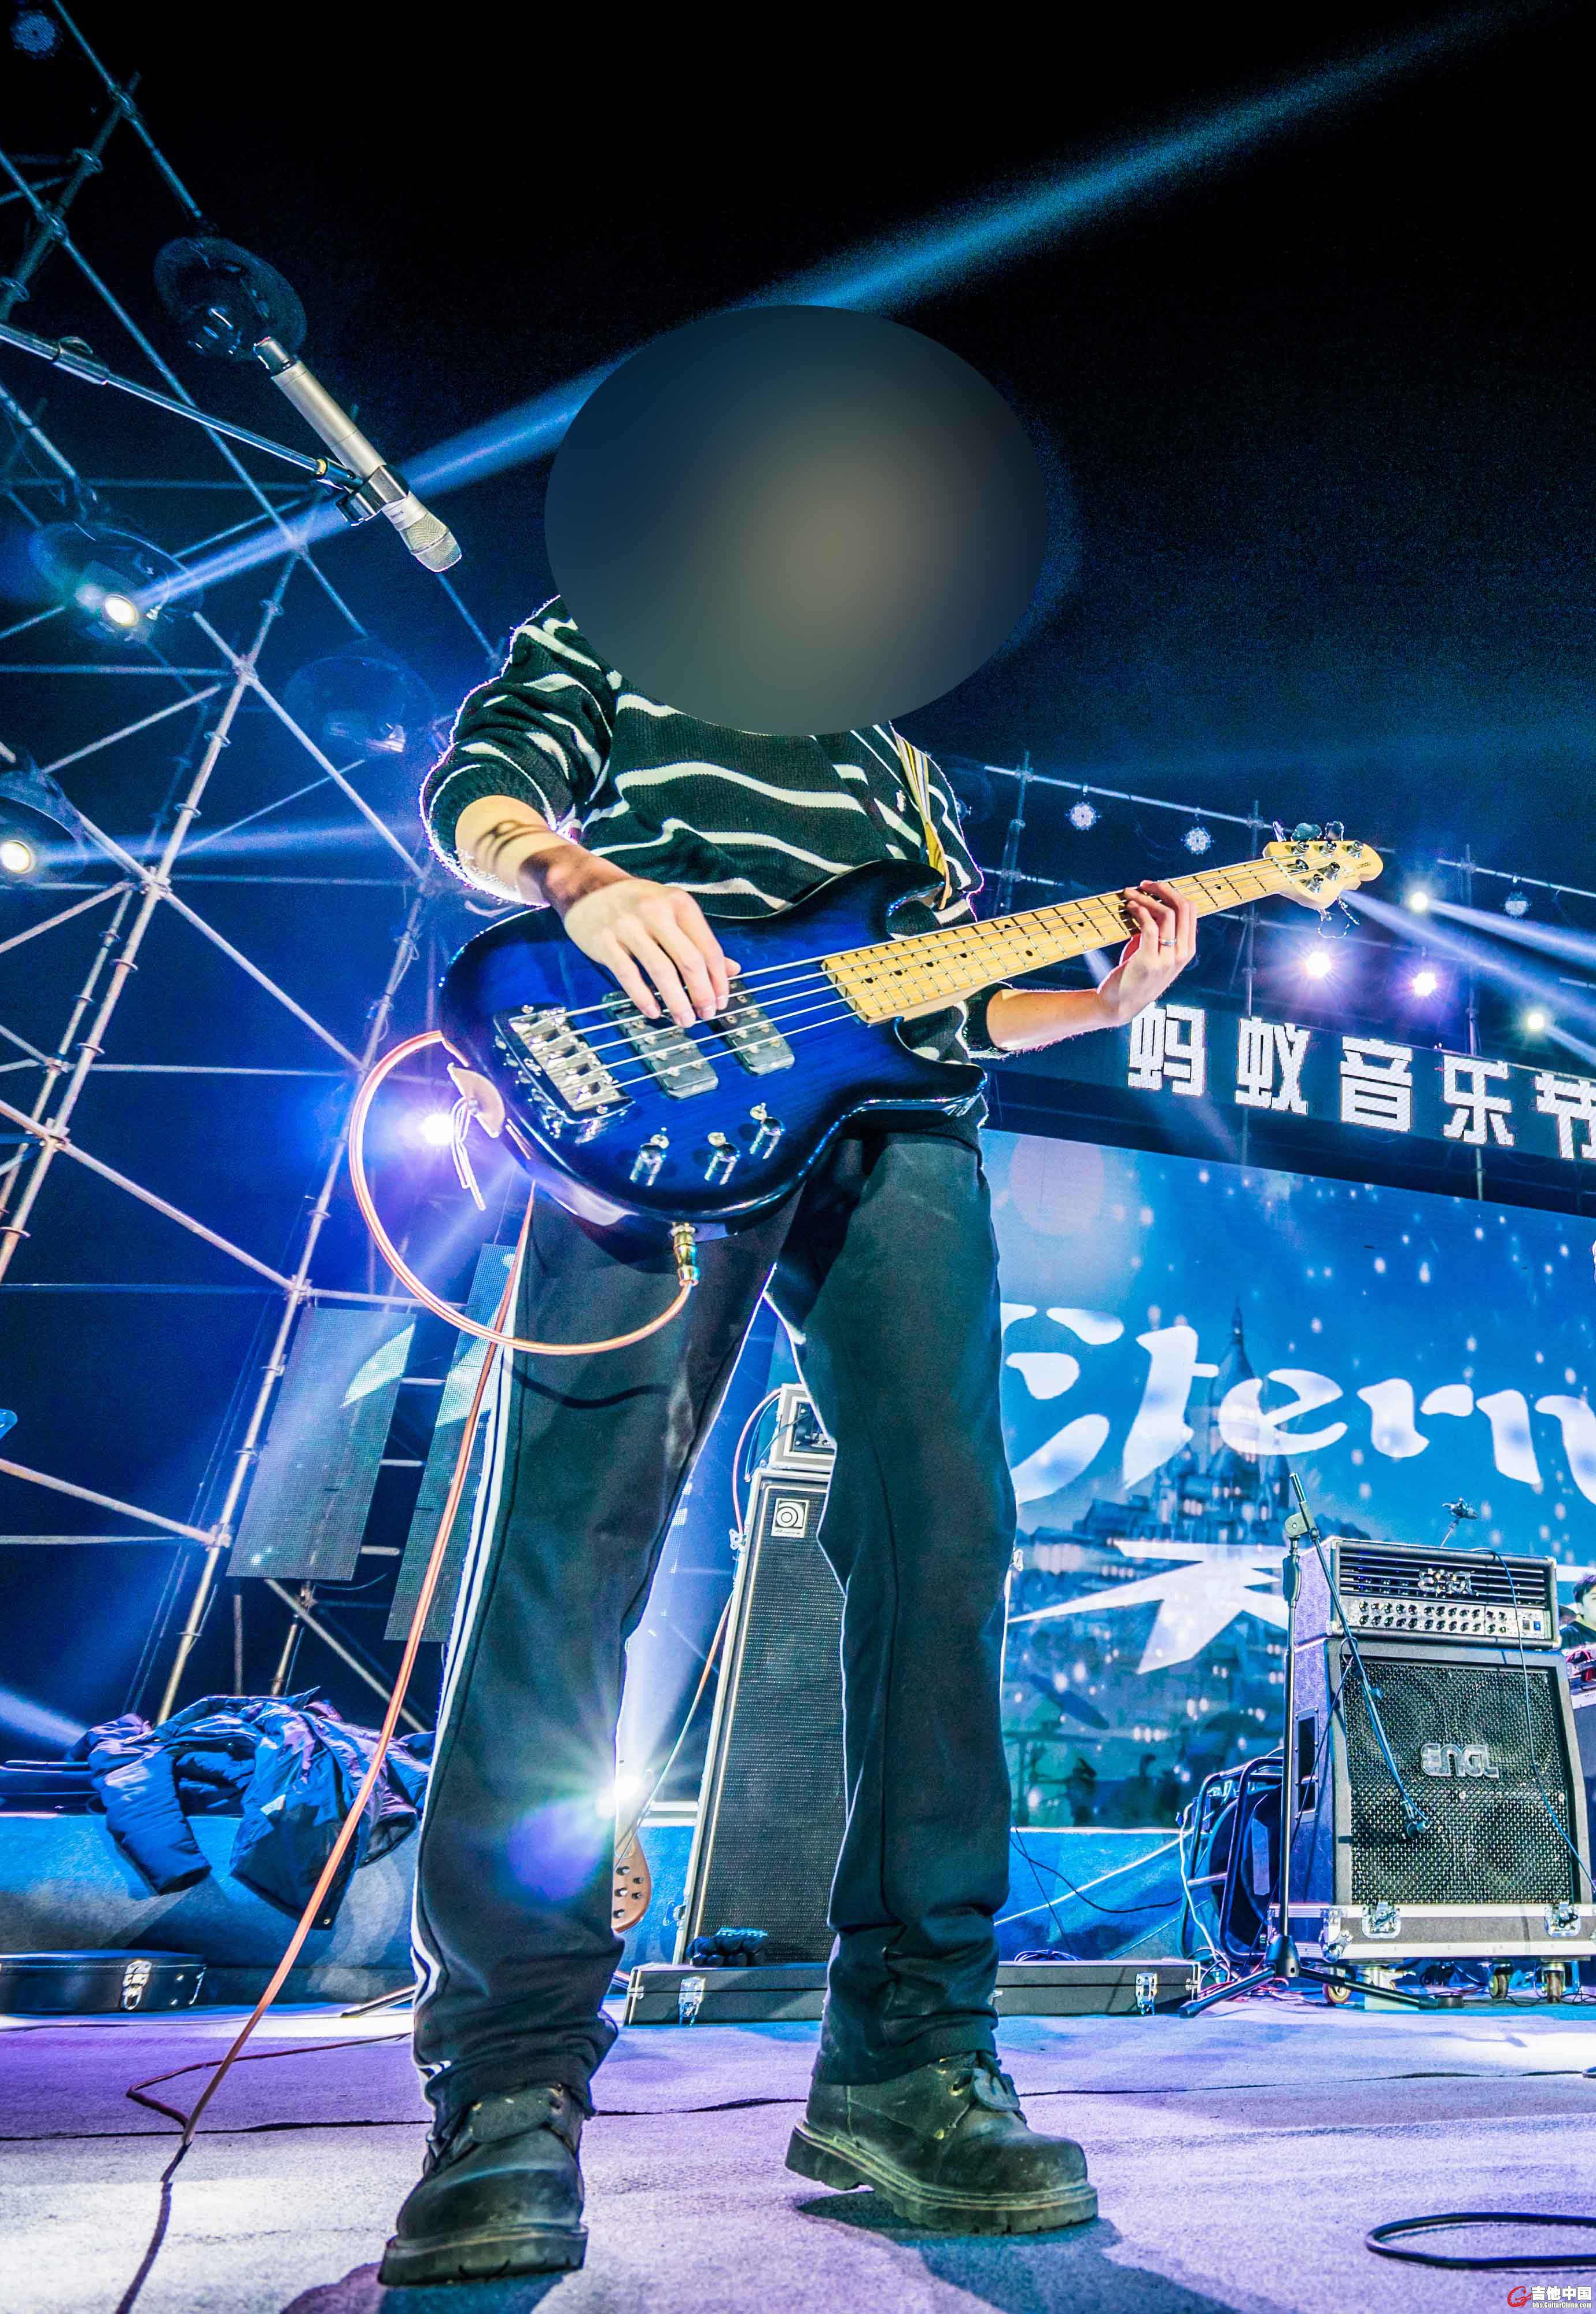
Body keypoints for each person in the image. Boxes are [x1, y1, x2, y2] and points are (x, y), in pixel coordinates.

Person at [380, 599, 1197, 2286]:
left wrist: (1096, 1005)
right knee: (570, 1544)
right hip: (652, 1087)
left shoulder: (910, 775)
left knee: (948, 1540)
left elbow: (931, 1010)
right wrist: (578, 879)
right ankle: (510, 2078)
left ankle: (910, 2061)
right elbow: (482, 787)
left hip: (903, 1137)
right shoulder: (630, 618)